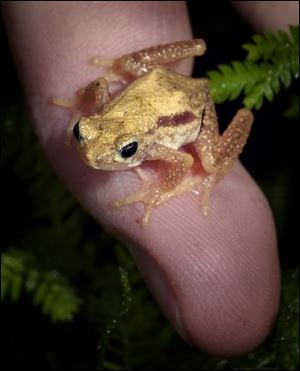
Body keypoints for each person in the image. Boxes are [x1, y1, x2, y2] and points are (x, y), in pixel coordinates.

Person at [2, 1, 298, 356]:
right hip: (153, 88)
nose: (92, 155)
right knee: (127, 66)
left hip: (190, 107)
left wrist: (165, 187)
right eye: (84, 132)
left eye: (125, 151)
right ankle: (155, 79)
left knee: (209, 160)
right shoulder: (101, 117)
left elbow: (177, 160)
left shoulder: (157, 145)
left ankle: (232, 134)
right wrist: (83, 108)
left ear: (137, 147)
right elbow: (96, 87)